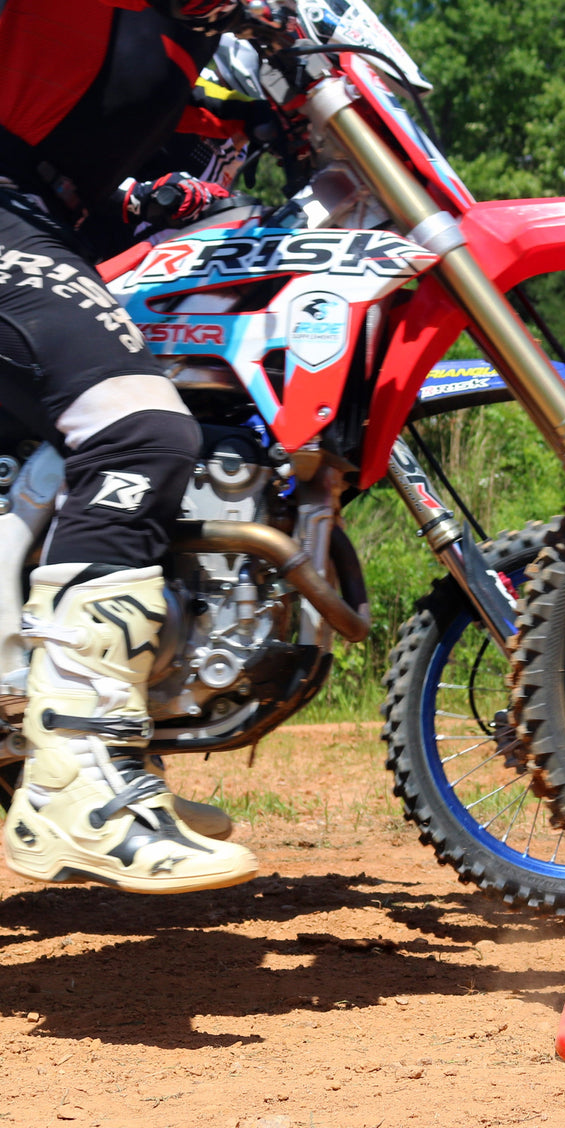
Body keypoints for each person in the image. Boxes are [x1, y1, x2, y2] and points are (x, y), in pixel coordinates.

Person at [0, 0, 263, 893]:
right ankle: (73, 779)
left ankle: (68, 750)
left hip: (39, 216)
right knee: (136, 428)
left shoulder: (193, 34)